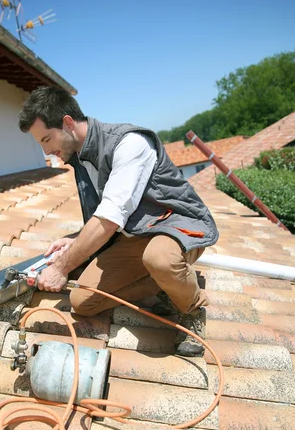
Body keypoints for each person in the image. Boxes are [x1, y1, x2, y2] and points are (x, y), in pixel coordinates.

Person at [18, 86, 219, 357]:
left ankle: (191, 308)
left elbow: (109, 218)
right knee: (82, 301)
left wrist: (62, 268)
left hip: (177, 224)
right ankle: (167, 285)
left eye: (46, 139)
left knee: (160, 259)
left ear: (67, 123)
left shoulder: (129, 143)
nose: (47, 150)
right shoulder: (80, 158)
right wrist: (74, 240)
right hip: (137, 234)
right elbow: (104, 215)